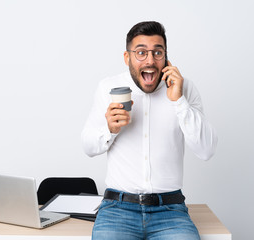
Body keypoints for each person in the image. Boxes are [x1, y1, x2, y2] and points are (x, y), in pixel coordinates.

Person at [81, 21, 218, 240]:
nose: (150, 60)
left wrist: (179, 101)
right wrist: (110, 129)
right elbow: (87, 146)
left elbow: (207, 150)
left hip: (170, 211)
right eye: (141, 52)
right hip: (117, 209)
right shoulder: (108, 88)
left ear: (166, 57)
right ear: (127, 58)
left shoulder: (184, 88)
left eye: (157, 52)